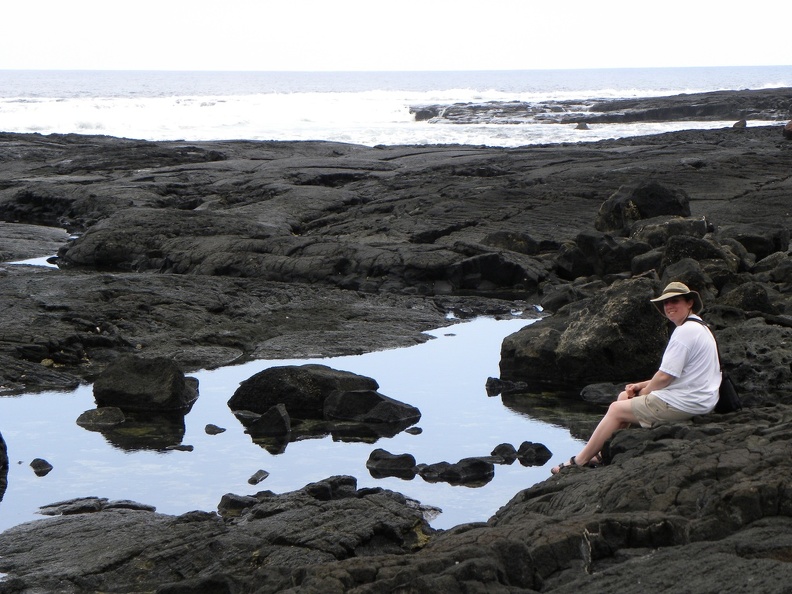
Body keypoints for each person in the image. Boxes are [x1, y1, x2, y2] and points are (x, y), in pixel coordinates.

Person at [551, 281, 721, 474]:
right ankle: (604, 452)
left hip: (689, 402)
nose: (669, 306)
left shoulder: (684, 332)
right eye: (666, 302)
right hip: (700, 398)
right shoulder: (699, 326)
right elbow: (677, 374)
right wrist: (640, 386)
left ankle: (579, 461)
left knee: (616, 410)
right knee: (624, 397)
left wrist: (645, 393)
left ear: (689, 302)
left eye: (675, 301)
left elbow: (665, 377)